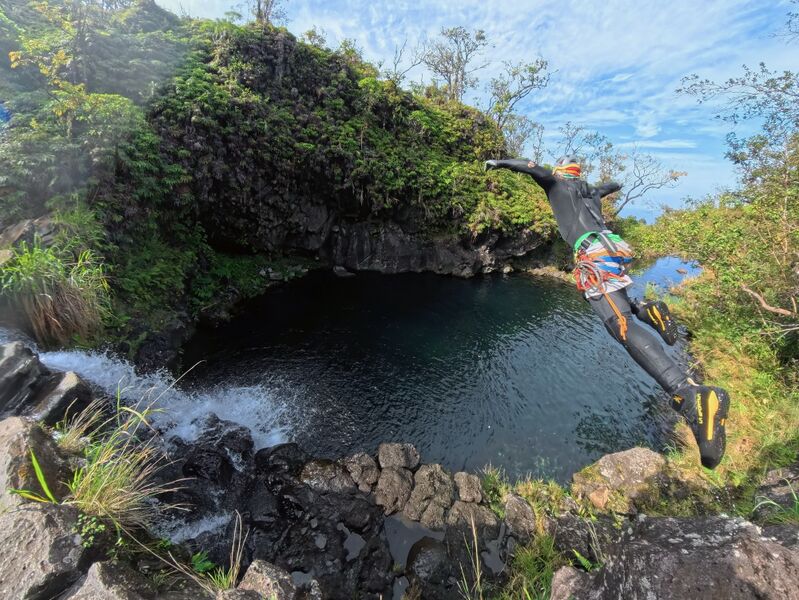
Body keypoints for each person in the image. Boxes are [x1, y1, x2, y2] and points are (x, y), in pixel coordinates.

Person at [485, 156, 730, 469]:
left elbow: (532, 167)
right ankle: (648, 310)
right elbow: (611, 185)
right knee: (622, 304)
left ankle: (689, 395)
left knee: (619, 324)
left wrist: (500, 162)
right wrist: (610, 186)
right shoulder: (589, 191)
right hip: (614, 245)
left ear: (560, 171)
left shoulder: (557, 183)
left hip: (593, 251)